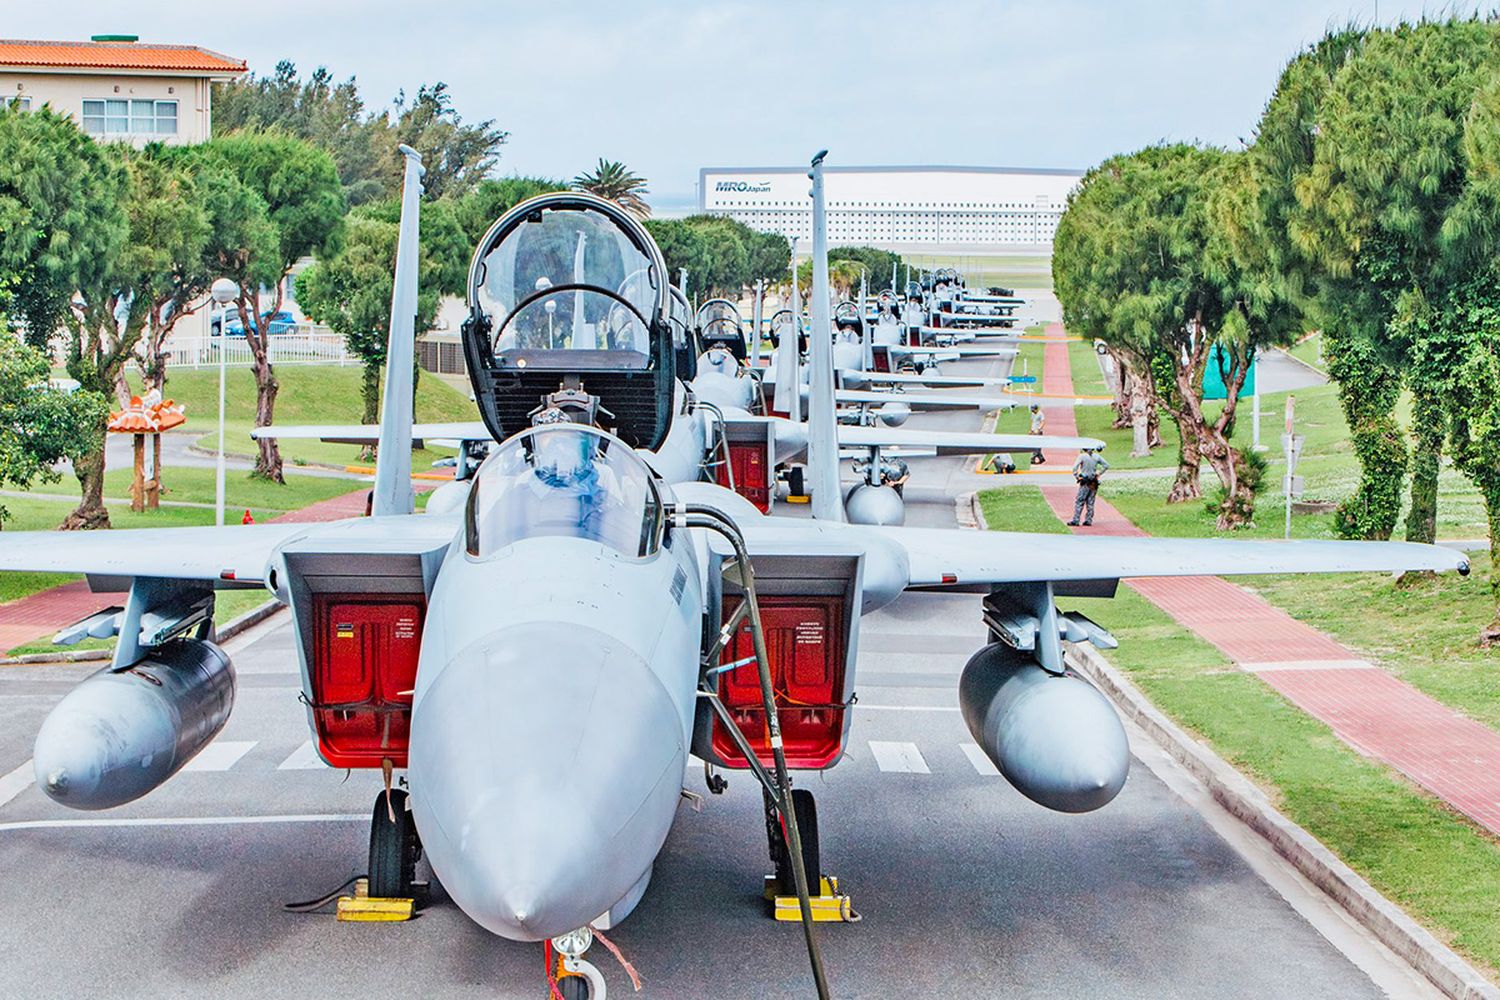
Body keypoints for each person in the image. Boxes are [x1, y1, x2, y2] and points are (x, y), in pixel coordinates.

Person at [1068, 446, 1109, 526]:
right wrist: (1099, 473)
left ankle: (1076, 520)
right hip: (1094, 482)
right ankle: (1088, 520)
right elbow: (1106, 465)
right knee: (1090, 502)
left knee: (1080, 501)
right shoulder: (1097, 456)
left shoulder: (1082, 456)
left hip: (1085, 481)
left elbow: (1074, 468)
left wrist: (1077, 476)